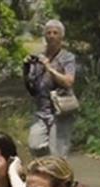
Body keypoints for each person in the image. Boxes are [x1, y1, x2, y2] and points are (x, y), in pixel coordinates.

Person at [23, 19, 76, 157]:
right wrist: (26, 68)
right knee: (34, 146)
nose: (51, 35)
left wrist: (49, 68)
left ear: (61, 36)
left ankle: (59, 175)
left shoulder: (67, 57)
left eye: (55, 33)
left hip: (60, 111)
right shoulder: (39, 57)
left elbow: (69, 82)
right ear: (45, 36)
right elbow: (31, 87)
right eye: (48, 33)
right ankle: (47, 169)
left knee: (58, 155)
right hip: (41, 111)